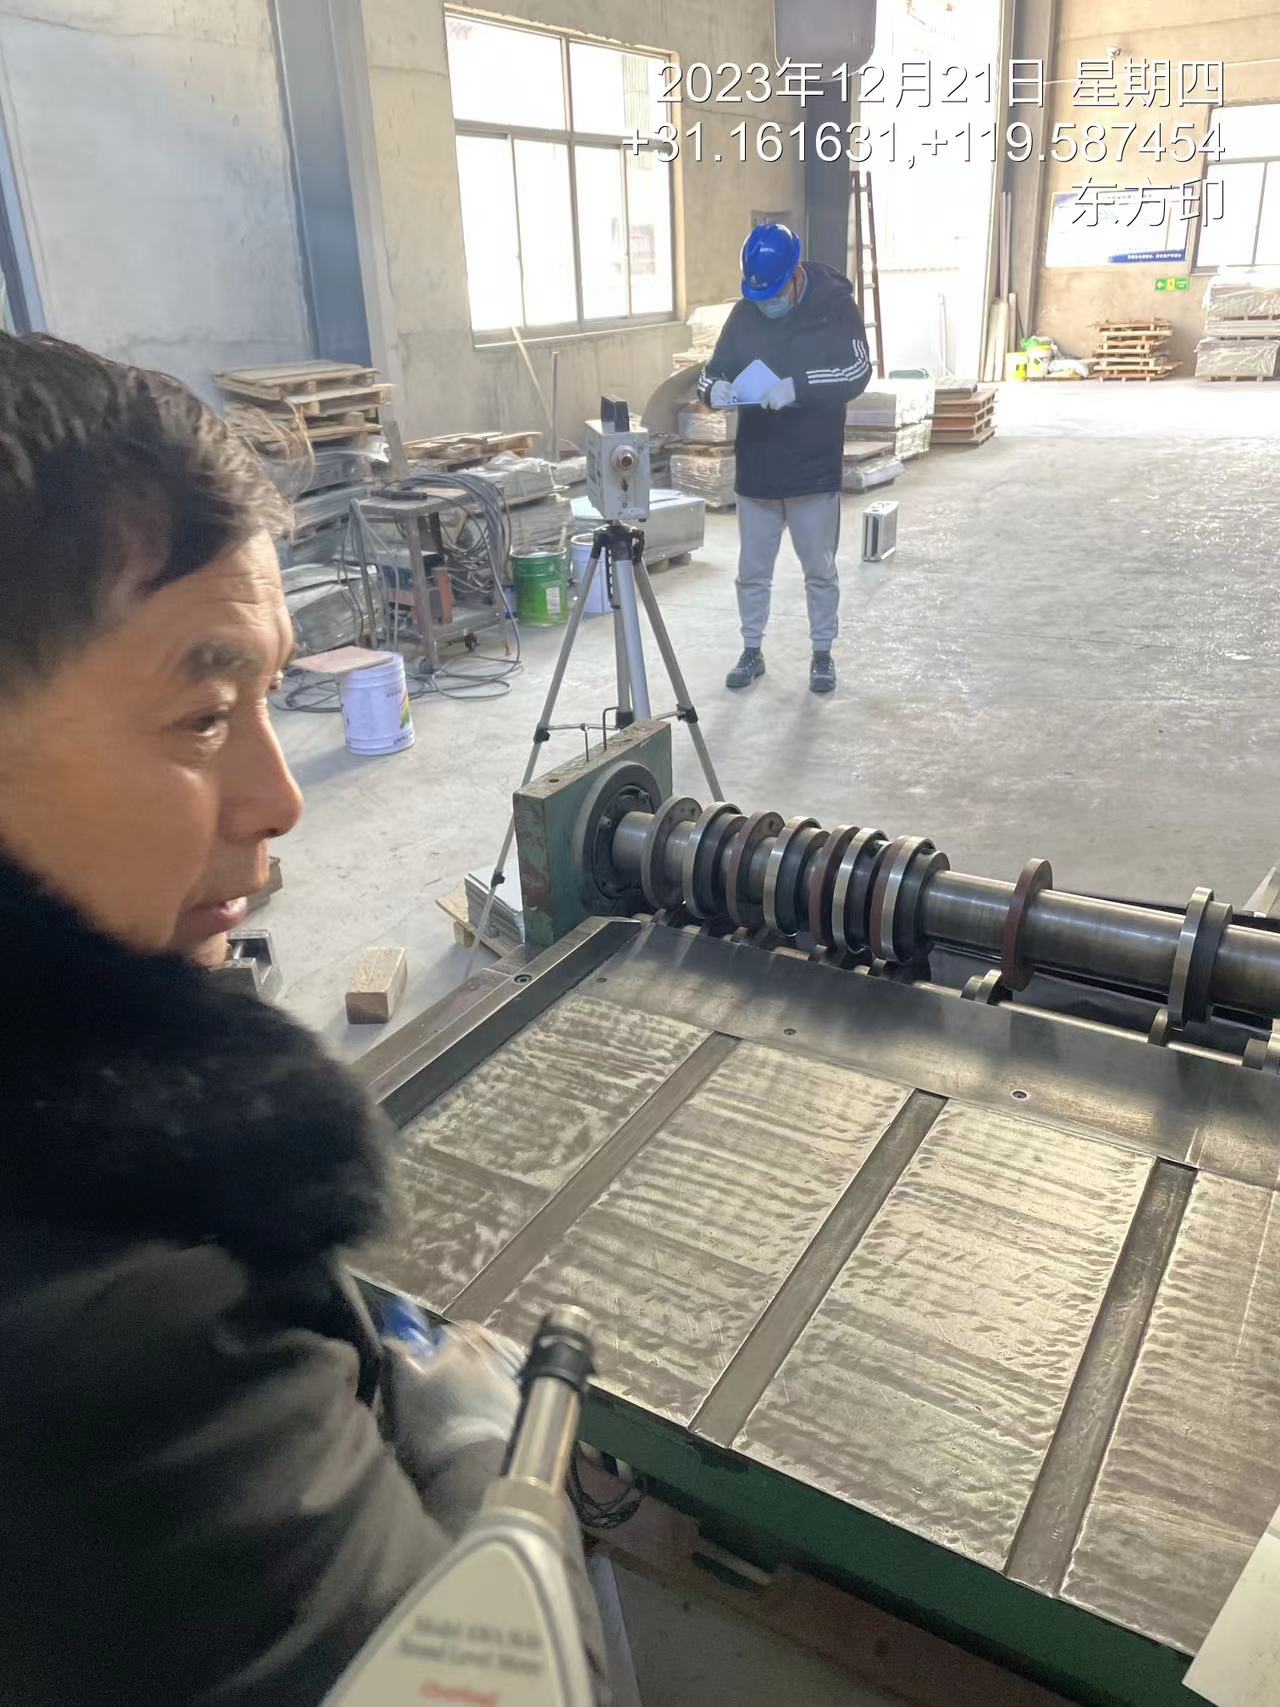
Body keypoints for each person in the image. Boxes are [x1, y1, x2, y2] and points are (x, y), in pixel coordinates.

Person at [0, 333, 605, 1705]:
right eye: (204, 714)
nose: (279, 798)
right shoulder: (140, 1343)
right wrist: (493, 1481)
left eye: (271, 699)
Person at [697, 223, 872, 695]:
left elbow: (858, 371)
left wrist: (799, 386)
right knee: (752, 572)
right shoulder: (746, 312)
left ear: (794, 276)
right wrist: (715, 390)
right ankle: (751, 649)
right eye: (760, 296)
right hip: (757, 467)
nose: (767, 304)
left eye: (774, 294)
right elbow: (711, 372)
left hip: (812, 466)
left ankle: (822, 652)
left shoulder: (835, 307)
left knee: (819, 569)